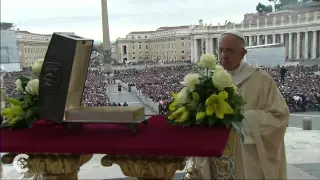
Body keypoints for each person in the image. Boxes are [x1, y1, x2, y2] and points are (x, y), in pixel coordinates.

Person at [188, 31, 290, 179]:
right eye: (221, 49)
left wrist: (243, 119)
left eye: (229, 50)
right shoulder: (208, 80)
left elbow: (280, 117)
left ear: (243, 53)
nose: (223, 55)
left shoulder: (260, 80)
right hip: (215, 159)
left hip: (246, 162)